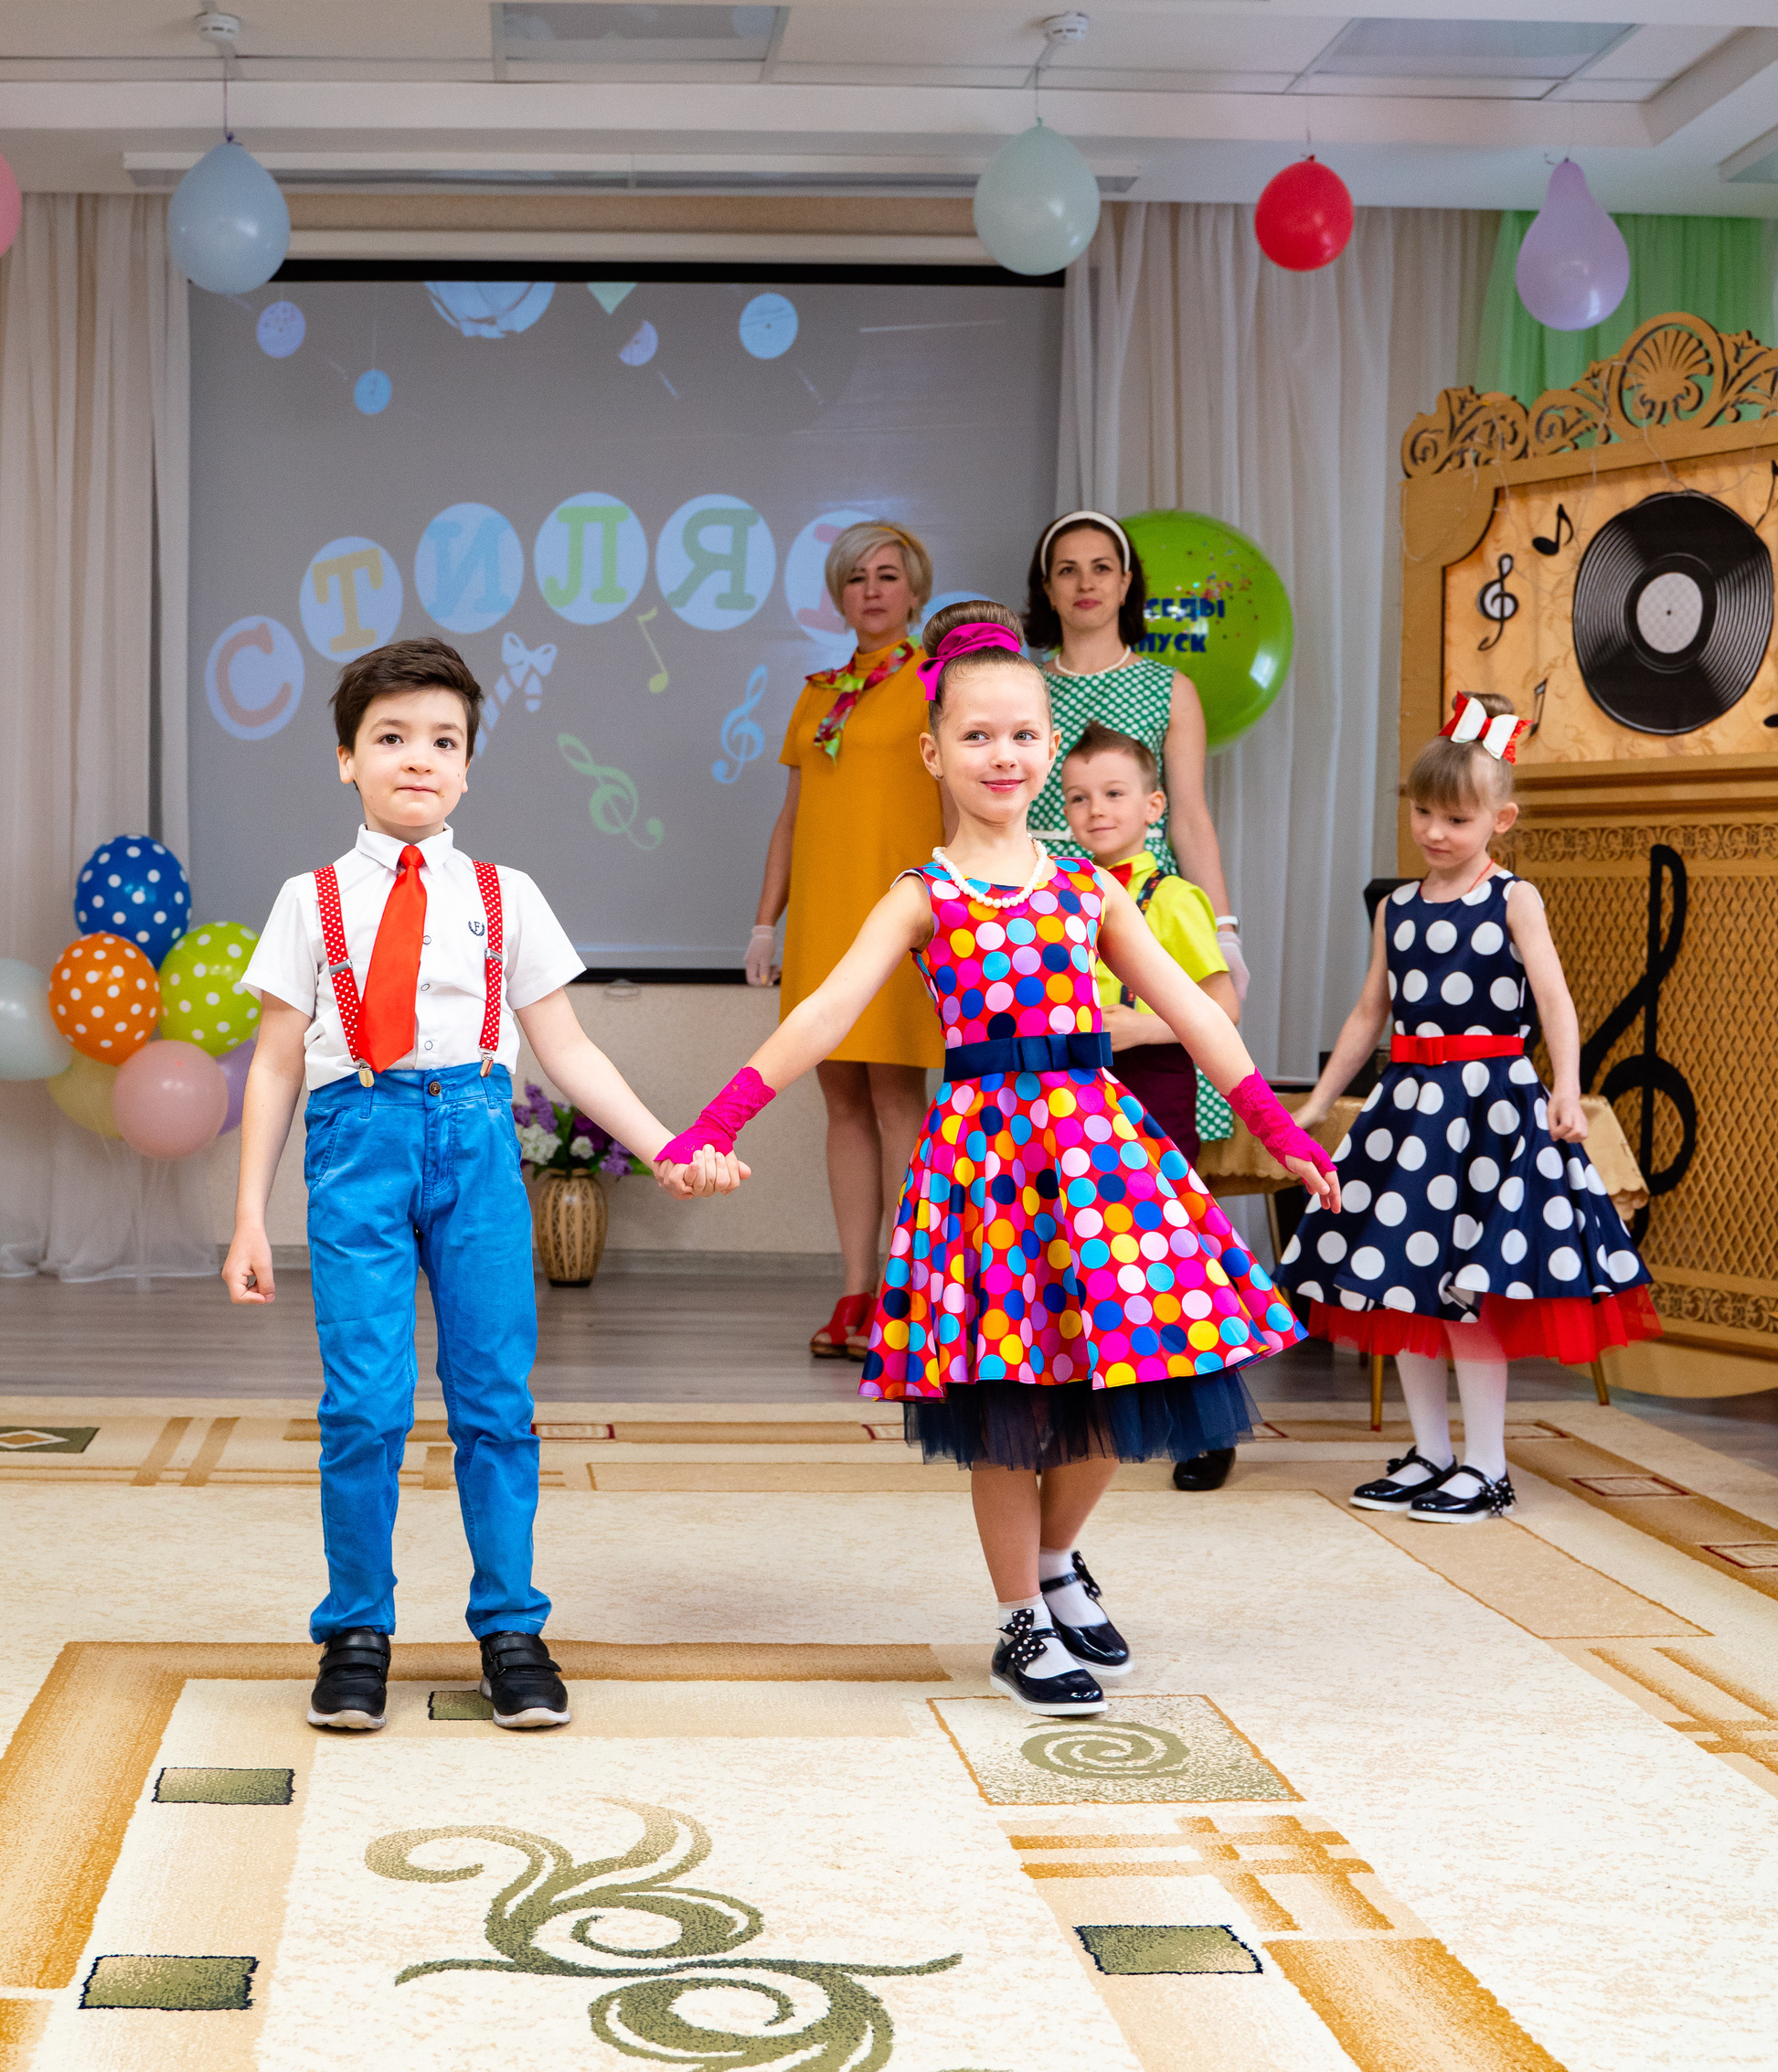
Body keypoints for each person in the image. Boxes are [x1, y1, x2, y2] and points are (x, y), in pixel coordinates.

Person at [655, 603, 1336, 1716]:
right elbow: (824, 1010)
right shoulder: (923, 897)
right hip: (988, 1163)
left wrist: (1283, 1131)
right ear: (936, 752)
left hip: (1104, 1157)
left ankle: (1059, 1562)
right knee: (1008, 1403)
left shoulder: (1092, 889)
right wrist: (717, 1118)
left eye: (1023, 735)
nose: (1003, 754)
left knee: (1130, 1382)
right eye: (976, 736)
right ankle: (1021, 1616)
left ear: (1049, 748)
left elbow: (1197, 1015)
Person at [227, 637, 741, 1736]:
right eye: (391, 738)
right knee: (361, 1406)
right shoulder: (306, 899)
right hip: (354, 1142)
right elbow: (273, 1062)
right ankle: (355, 1631)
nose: (419, 759)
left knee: (495, 1402)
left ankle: (510, 1626)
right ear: (345, 760)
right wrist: (247, 1220)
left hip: (472, 1141)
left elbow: (570, 1052)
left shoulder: (506, 896)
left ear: (469, 766)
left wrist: (666, 1144)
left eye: (443, 741)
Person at [1277, 693, 1660, 1522]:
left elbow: (1555, 1002)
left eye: (1455, 817)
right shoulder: (1399, 908)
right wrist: (1321, 1101)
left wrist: (1564, 1084)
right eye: (1423, 812)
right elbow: (1368, 1012)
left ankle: (1487, 1467)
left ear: (1501, 819)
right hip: (1409, 1110)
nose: (1434, 832)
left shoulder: (1513, 899)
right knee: (1399, 1285)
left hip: (1491, 1110)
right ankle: (1431, 1453)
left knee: (1467, 1290)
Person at [750, 520, 947, 1362]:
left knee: (902, 1102)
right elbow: (793, 819)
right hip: (826, 921)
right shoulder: (817, 690)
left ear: (915, 590)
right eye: (856, 577)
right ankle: (856, 1292)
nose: (872, 589)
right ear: (838, 597)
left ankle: (913, 1302)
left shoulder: (941, 683)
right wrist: (767, 923)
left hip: (904, 917)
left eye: (888, 575)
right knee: (843, 1105)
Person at [1059, 724, 1243, 1494]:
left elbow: (1222, 1004)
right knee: (1087, 1263)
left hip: (1154, 1092)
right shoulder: (1062, 892)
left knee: (1170, 1270)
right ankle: (1095, 1418)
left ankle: (1210, 1429)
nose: (1096, 811)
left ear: (1154, 804)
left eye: (1114, 794)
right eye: (1077, 797)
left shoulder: (1172, 899)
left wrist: (1133, 1026)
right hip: (1077, 1102)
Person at [1025, 510, 1247, 1003]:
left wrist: (1224, 928)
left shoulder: (1171, 689)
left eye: (1101, 568)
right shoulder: (1020, 688)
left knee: (1148, 1050)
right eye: (1068, 569)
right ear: (1047, 587)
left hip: (1139, 901)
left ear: (1125, 583)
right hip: (1037, 902)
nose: (1086, 582)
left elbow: (1188, 815)